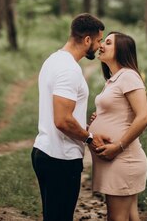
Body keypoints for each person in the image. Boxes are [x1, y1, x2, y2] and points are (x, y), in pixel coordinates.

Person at [31, 13, 107, 221]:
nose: (100, 46)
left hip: (45, 151)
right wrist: (89, 137)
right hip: (60, 157)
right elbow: (62, 120)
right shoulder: (69, 70)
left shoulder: (53, 60)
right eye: (99, 40)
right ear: (87, 40)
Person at [90, 31, 147, 221]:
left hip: (123, 158)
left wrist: (118, 147)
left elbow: (143, 117)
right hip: (116, 160)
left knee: (117, 218)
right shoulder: (113, 80)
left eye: (108, 43)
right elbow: (121, 110)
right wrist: (99, 118)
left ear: (121, 50)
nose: (101, 45)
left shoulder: (128, 76)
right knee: (130, 217)